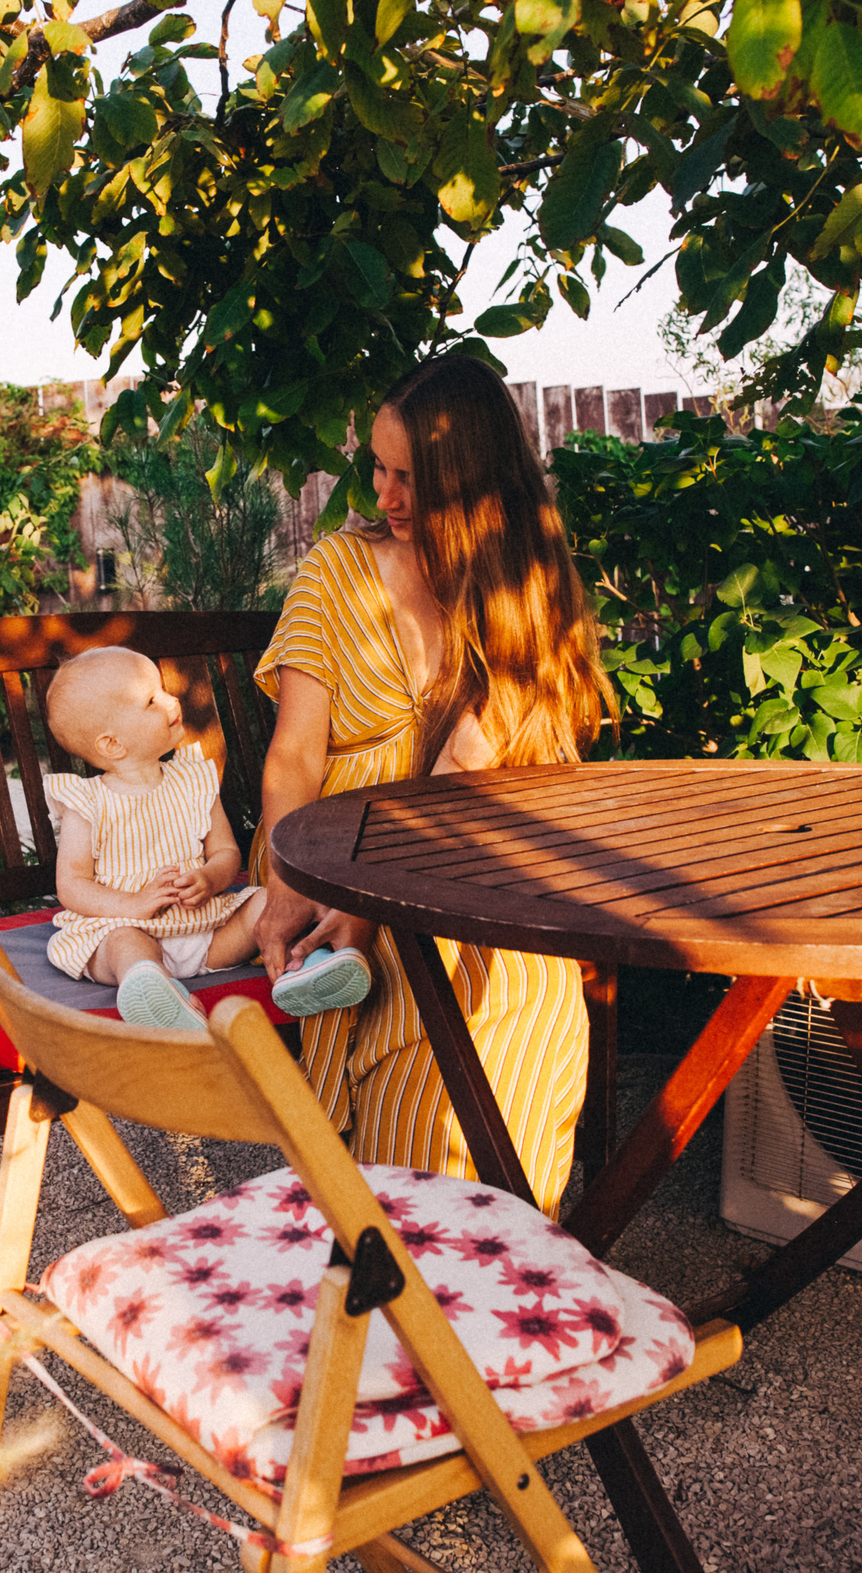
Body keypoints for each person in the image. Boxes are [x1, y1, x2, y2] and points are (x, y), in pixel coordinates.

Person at [250, 354, 613, 1211]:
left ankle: (490, 1281)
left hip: (472, 888)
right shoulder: (335, 573)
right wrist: (280, 886)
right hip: (347, 879)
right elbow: (294, 756)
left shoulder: (521, 593)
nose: (385, 496)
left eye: (411, 478)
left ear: (475, 487)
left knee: (516, 1007)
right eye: (377, 468)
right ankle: (428, 1290)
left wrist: (367, 907)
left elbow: (476, 773)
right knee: (409, 1123)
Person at [43, 646, 373, 1031]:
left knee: (268, 902)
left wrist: (210, 879)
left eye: (163, 690)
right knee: (123, 944)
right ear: (112, 744)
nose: (171, 701)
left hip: (207, 931)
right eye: (152, 700)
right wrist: (132, 904)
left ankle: (303, 971)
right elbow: (72, 884)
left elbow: (225, 852)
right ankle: (155, 992)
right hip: (127, 927)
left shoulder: (193, 780)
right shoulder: (88, 802)